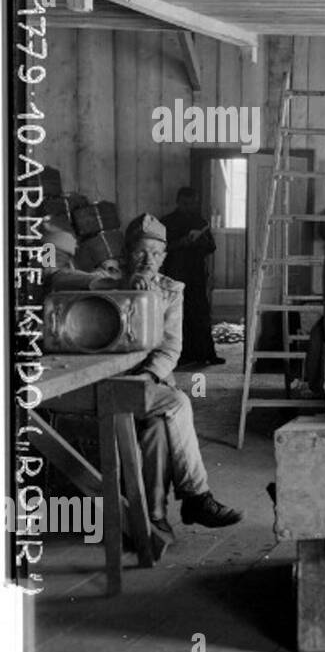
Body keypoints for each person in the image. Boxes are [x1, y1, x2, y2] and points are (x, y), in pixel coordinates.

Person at [51, 213, 243, 556]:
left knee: (157, 426)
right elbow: (54, 277)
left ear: (165, 256)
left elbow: (171, 347)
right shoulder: (107, 279)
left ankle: (152, 522)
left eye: (156, 254)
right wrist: (114, 286)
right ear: (126, 254)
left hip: (147, 381)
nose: (148, 261)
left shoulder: (170, 291)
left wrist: (149, 376)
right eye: (140, 253)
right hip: (109, 380)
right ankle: (195, 499)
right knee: (177, 404)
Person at [161, 187, 222, 367]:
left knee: (201, 314)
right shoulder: (167, 222)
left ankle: (206, 354)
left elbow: (212, 247)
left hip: (197, 274)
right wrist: (183, 242)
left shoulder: (200, 221)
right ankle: (182, 356)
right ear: (178, 202)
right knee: (179, 316)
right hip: (176, 275)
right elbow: (162, 248)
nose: (190, 207)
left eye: (193, 203)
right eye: (186, 204)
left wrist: (201, 240)